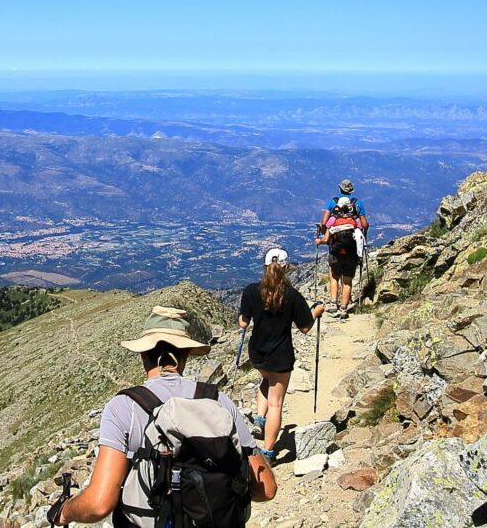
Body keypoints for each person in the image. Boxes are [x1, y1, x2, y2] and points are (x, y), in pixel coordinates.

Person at [47, 305, 277, 526]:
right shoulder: (218, 401)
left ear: (143, 354)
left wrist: (64, 511)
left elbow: (99, 504)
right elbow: (266, 488)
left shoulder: (123, 407)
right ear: (186, 354)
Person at [237, 248, 325, 461]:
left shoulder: (251, 291)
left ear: (265, 266)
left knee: (265, 380)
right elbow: (305, 327)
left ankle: (259, 418)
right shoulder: (292, 295)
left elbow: (243, 322)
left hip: (257, 351)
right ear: (286, 267)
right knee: (276, 403)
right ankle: (267, 452)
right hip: (281, 354)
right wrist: (316, 312)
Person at [319, 179, 369, 316]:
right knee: (347, 280)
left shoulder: (332, 202)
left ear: (339, 189)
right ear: (351, 190)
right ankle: (344, 308)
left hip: (335, 245)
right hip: (352, 248)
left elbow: (324, 222)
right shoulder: (358, 203)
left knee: (334, 275)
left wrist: (327, 236)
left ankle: (333, 303)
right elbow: (364, 224)